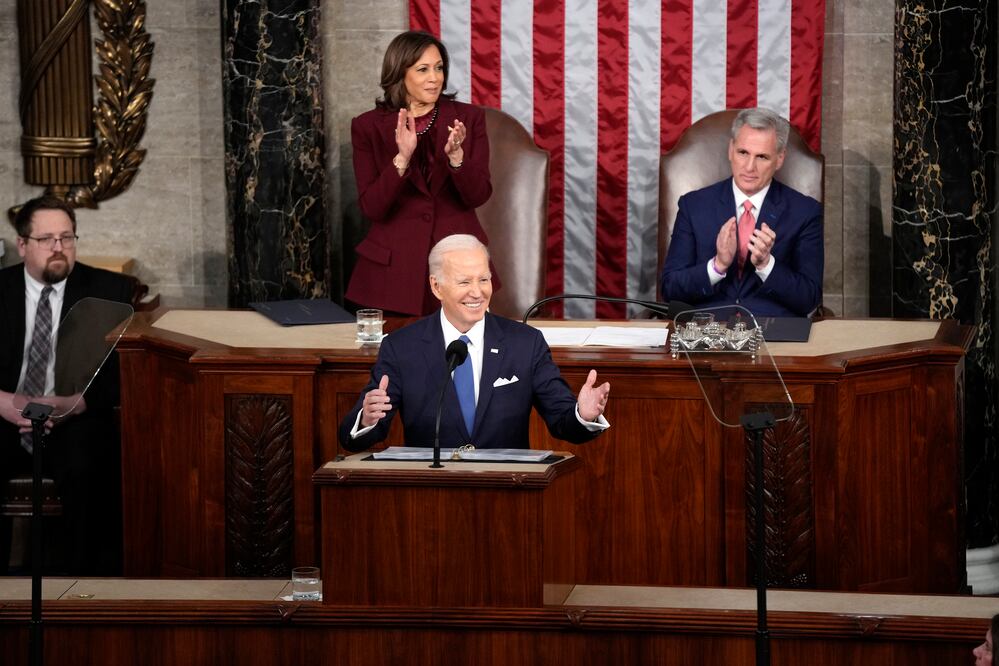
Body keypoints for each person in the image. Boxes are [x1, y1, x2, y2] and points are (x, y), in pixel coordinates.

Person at [339, 234, 610, 452]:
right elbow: (354, 438)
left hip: (508, 493)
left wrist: (583, 415)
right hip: (428, 497)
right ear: (436, 287)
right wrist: (366, 419)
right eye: (464, 281)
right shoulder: (401, 347)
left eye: (484, 279)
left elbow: (563, 422)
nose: (477, 292)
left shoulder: (525, 343)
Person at [0, 195, 135, 575]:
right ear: (22, 245)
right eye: (46, 240)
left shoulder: (110, 291)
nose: (59, 248)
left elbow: (122, 371)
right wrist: (1, 401)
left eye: (67, 237)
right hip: (4, 414)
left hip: (73, 417)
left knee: (90, 464)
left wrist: (78, 402)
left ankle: (81, 592)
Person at [347, 30, 497, 316]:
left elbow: (478, 195)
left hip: (457, 267)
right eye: (423, 69)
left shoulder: (468, 119)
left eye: (439, 68)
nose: (435, 78)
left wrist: (457, 159)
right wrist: (401, 159)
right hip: (393, 273)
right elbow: (372, 208)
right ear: (399, 73)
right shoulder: (367, 127)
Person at [659, 107, 823, 318]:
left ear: (780, 159)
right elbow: (670, 289)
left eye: (762, 157)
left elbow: (809, 298)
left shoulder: (805, 212)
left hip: (774, 338)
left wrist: (767, 265)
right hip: (706, 335)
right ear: (731, 150)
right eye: (743, 153)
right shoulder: (694, 205)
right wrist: (717, 266)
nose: (749, 167)